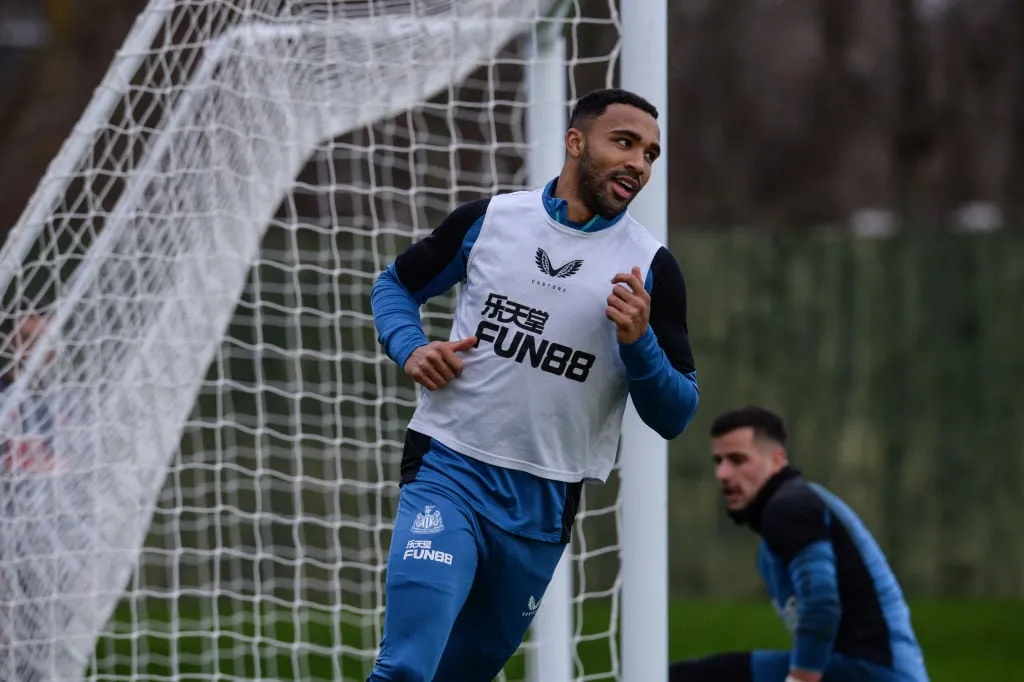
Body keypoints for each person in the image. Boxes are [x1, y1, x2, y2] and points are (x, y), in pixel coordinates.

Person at [368, 87, 699, 681]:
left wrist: (639, 343)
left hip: (542, 504)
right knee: (407, 670)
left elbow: (676, 414)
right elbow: (394, 286)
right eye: (623, 142)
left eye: (651, 153)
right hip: (450, 470)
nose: (639, 163)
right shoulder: (491, 220)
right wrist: (412, 348)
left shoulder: (652, 269)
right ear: (575, 142)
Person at [670, 406, 929, 682]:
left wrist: (800, 679)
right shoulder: (787, 515)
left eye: (737, 459)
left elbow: (822, 603)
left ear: (778, 459)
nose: (722, 474)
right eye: (718, 461)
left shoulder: (789, 508)